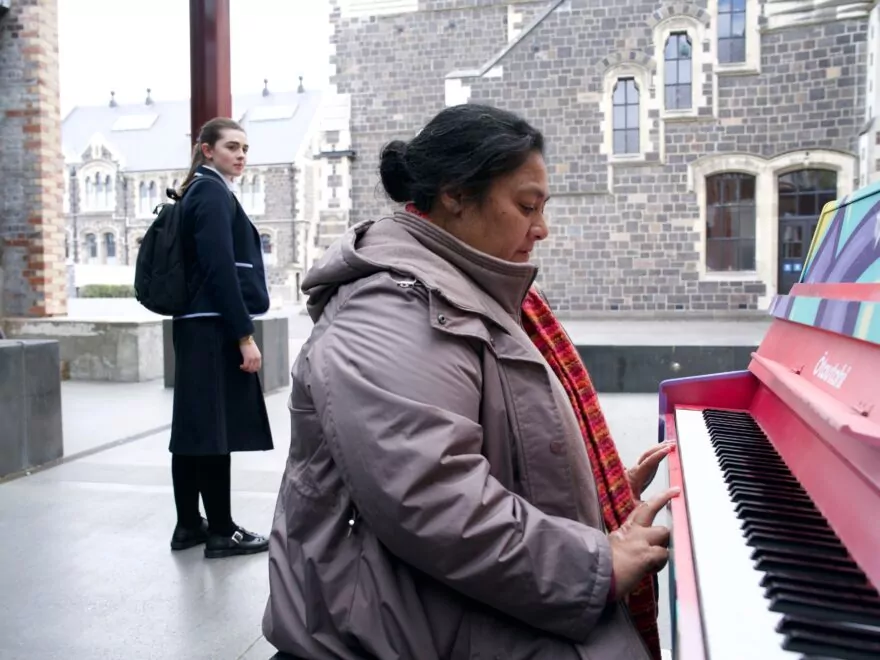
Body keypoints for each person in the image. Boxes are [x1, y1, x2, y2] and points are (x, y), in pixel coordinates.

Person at [263, 104, 678, 659]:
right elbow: (433, 499)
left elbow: (483, 448)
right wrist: (596, 564)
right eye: (526, 206)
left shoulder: (468, 290)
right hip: (395, 630)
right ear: (455, 195)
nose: (542, 228)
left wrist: (593, 499)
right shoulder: (391, 311)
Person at [167, 117, 273, 559]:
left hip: (195, 323)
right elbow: (218, 267)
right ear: (207, 150)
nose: (241, 155)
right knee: (212, 432)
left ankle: (190, 525)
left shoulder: (198, 188)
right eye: (232, 146)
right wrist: (243, 335)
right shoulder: (211, 191)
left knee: (193, 429)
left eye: (245, 148)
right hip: (212, 326)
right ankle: (221, 531)